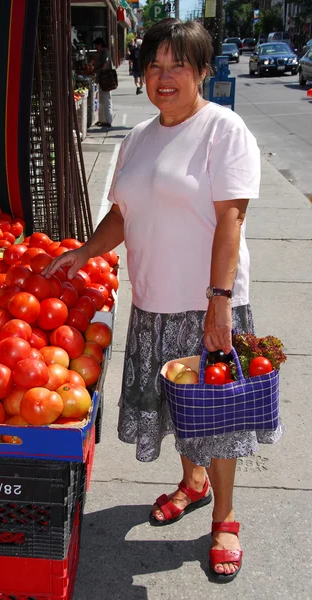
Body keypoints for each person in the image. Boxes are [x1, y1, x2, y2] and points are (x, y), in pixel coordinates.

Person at [45, 19, 283, 583]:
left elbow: (232, 216)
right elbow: (123, 214)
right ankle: (193, 482)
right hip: (152, 303)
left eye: (179, 64)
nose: (165, 76)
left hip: (208, 304)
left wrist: (219, 301)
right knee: (180, 411)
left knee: (219, 420)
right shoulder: (137, 138)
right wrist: (84, 253)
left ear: (204, 71)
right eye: (154, 64)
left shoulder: (223, 130)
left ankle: (224, 519)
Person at [93, 37, 113, 128]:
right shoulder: (102, 52)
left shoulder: (105, 52)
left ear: (100, 45)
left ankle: (108, 120)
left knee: (106, 99)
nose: (96, 47)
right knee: (101, 99)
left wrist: (98, 69)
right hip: (102, 79)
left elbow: (105, 64)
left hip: (105, 79)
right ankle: (102, 119)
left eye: (96, 45)